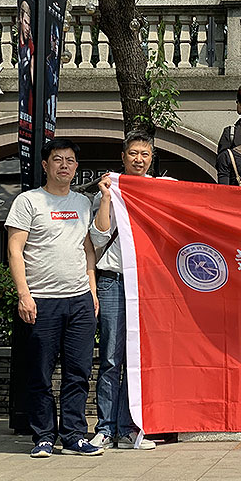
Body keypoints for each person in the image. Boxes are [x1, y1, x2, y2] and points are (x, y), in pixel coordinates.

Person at [5, 138, 102, 457]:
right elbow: (15, 250)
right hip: (41, 300)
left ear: (76, 167)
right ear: (45, 165)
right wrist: (24, 294)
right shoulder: (28, 201)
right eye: (58, 159)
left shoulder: (83, 203)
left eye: (70, 160)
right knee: (40, 373)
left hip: (80, 301)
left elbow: (88, 249)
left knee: (78, 372)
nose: (64, 165)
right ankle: (44, 436)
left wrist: (92, 290)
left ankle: (74, 435)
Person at [89, 131, 159, 451]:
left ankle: (129, 428)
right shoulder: (109, 189)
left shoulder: (158, 190)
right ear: (123, 157)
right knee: (110, 357)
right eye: (133, 153)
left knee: (136, 359)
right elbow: (98, 237)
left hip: (145, 283)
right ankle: (104, 428)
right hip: (113, 281)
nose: (139, 160)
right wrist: (106, 197)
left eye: (145, 154)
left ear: (151, 158)